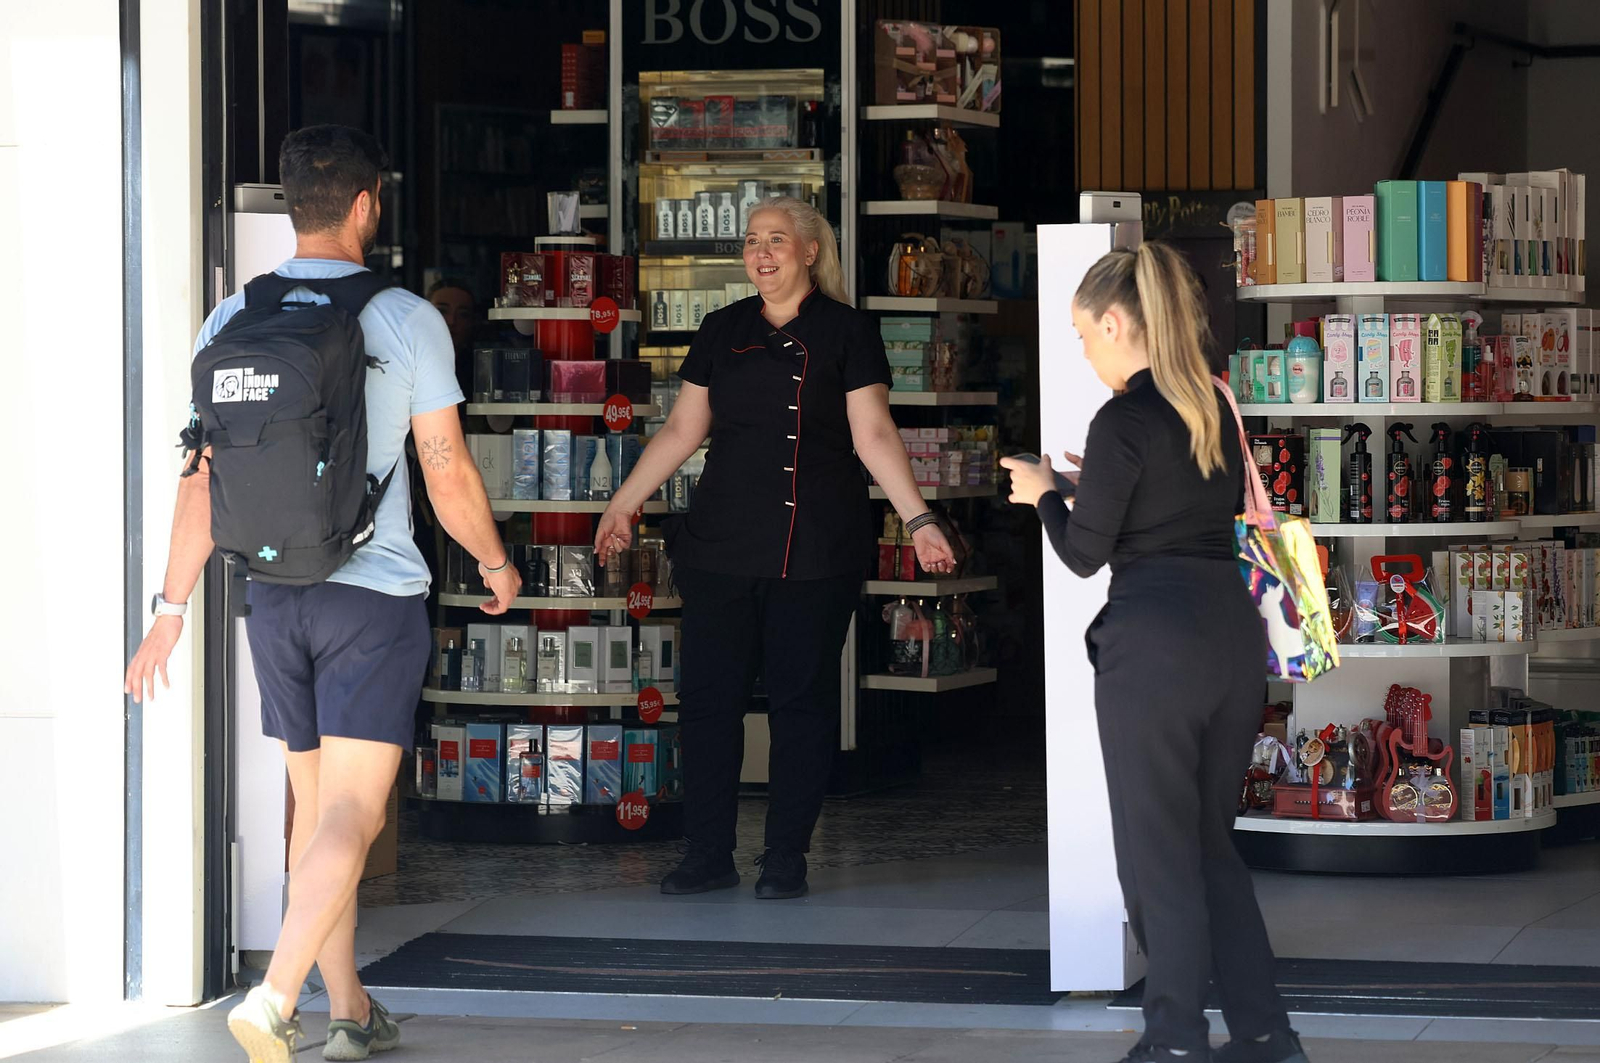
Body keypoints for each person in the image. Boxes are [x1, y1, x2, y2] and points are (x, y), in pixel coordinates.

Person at [124, 125, 521, 1063]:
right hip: (370, 600)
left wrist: (169, 611)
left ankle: (349, 1008)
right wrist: (498, 566)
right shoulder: (404, 317)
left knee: (315, 811)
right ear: (365, 205)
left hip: (272, 595)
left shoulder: (230, 320)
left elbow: (199, 479)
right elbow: (444, 466)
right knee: (352, 813)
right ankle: (273, 999)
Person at [594, 197, 957, 900]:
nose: (761, 253)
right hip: (720, 544)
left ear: (810, 251)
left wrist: (919, 519)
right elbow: (680, 432)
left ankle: (786, 856)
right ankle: (707, 852)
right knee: (708, 703)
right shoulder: (721, 328)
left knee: (801, 704)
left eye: (776, 240)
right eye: (752, 241)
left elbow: (873, 435)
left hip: (817, 546)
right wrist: (623, 502)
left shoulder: (848, 332)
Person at [1000, 243, 1307, 1063]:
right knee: (1210, 844)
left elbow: (1082, 556)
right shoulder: (1211, 399)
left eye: (1083, 335)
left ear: (1114, 320)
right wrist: (1078, 488)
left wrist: (1040, 496)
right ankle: (1267, 1033)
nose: (1085, 351)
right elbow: (1181, 509)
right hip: (1230, 638)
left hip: (1153, 648)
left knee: (1156, 849)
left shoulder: (1122, 419)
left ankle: (1174, 1034)